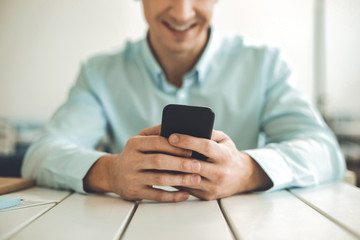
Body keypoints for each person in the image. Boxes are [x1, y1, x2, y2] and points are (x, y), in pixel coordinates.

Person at [22, 0, 345, 202]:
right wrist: (110, 172)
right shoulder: (99, 72)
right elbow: (41, 154)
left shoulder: (265, 64)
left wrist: (246, 171)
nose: (182, 12)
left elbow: (324, 151)